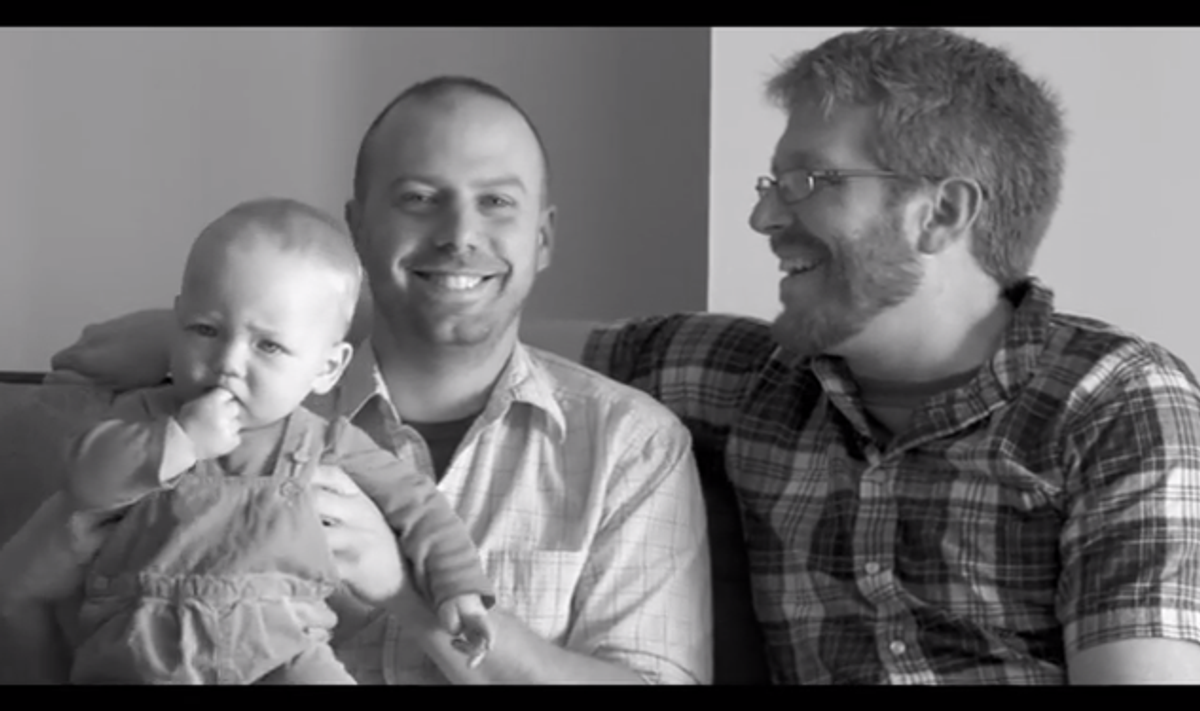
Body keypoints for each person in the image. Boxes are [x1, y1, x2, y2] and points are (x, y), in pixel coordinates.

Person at [0, 75, 712, 685]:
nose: (459, 234)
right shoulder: (186, 413)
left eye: (497, 201)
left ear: (544, 237)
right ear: (358, 229)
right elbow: (29, 592)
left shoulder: (632, 445)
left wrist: (406, 593)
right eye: (419, 197)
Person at [580, 27, 1200, 684]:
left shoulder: (1115, 402)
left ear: (941, 212)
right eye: (773, 181)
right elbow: (508, 347)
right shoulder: (740, 376)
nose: (764, 217)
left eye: (806, 180)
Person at [60, 197, 497, 684]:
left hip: (283, 652)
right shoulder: (144, 416)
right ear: (175, 324)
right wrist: (181, 440)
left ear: (327, 368)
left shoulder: (326, 441)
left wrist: (458, 589)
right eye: (205, 329)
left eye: (268, 345)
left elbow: (418, 503)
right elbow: (88, 481)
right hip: (142, 649)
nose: (228, 362)